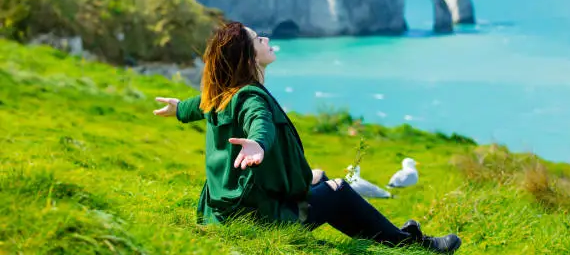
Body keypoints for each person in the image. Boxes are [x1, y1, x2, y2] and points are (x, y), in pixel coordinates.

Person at [153, 21, 461, 253]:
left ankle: (391, 234)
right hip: (260, 218)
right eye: (258, 39)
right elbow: (259, 122)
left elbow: (202, 104)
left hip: (225, 213)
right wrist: (258, 143)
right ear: (249, 57)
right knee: (338, 189)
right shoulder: (250, 97)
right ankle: (410, 245)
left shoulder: (223, 95)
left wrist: (180, 108)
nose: (266, 39)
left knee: (319, 177)